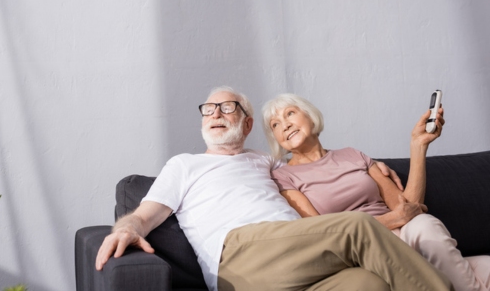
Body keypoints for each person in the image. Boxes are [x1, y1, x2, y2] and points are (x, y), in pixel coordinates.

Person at [96, 86, 453, 291]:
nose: (215, 113)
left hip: (297, 254)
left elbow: (315, 169)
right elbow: (144, 216)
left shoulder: (265, 162)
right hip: (240, 255)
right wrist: (123, 230)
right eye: (208, 109)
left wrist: (370, 166)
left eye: (227, 107)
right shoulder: (185, 165)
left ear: (248, 123)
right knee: (355, 227)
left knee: (367, 285)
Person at [263, 93, 490, 291]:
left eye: (290, 113)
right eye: (275, 124)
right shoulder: (284, 178)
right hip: (369, 249)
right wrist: (394, 219)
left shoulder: (352, 155)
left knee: (428, 226)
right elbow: (323, 235)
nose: (284, 125)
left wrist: (418, 145)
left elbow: (408, 207)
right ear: (276, 139)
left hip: (410, 236)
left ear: (311, 116)